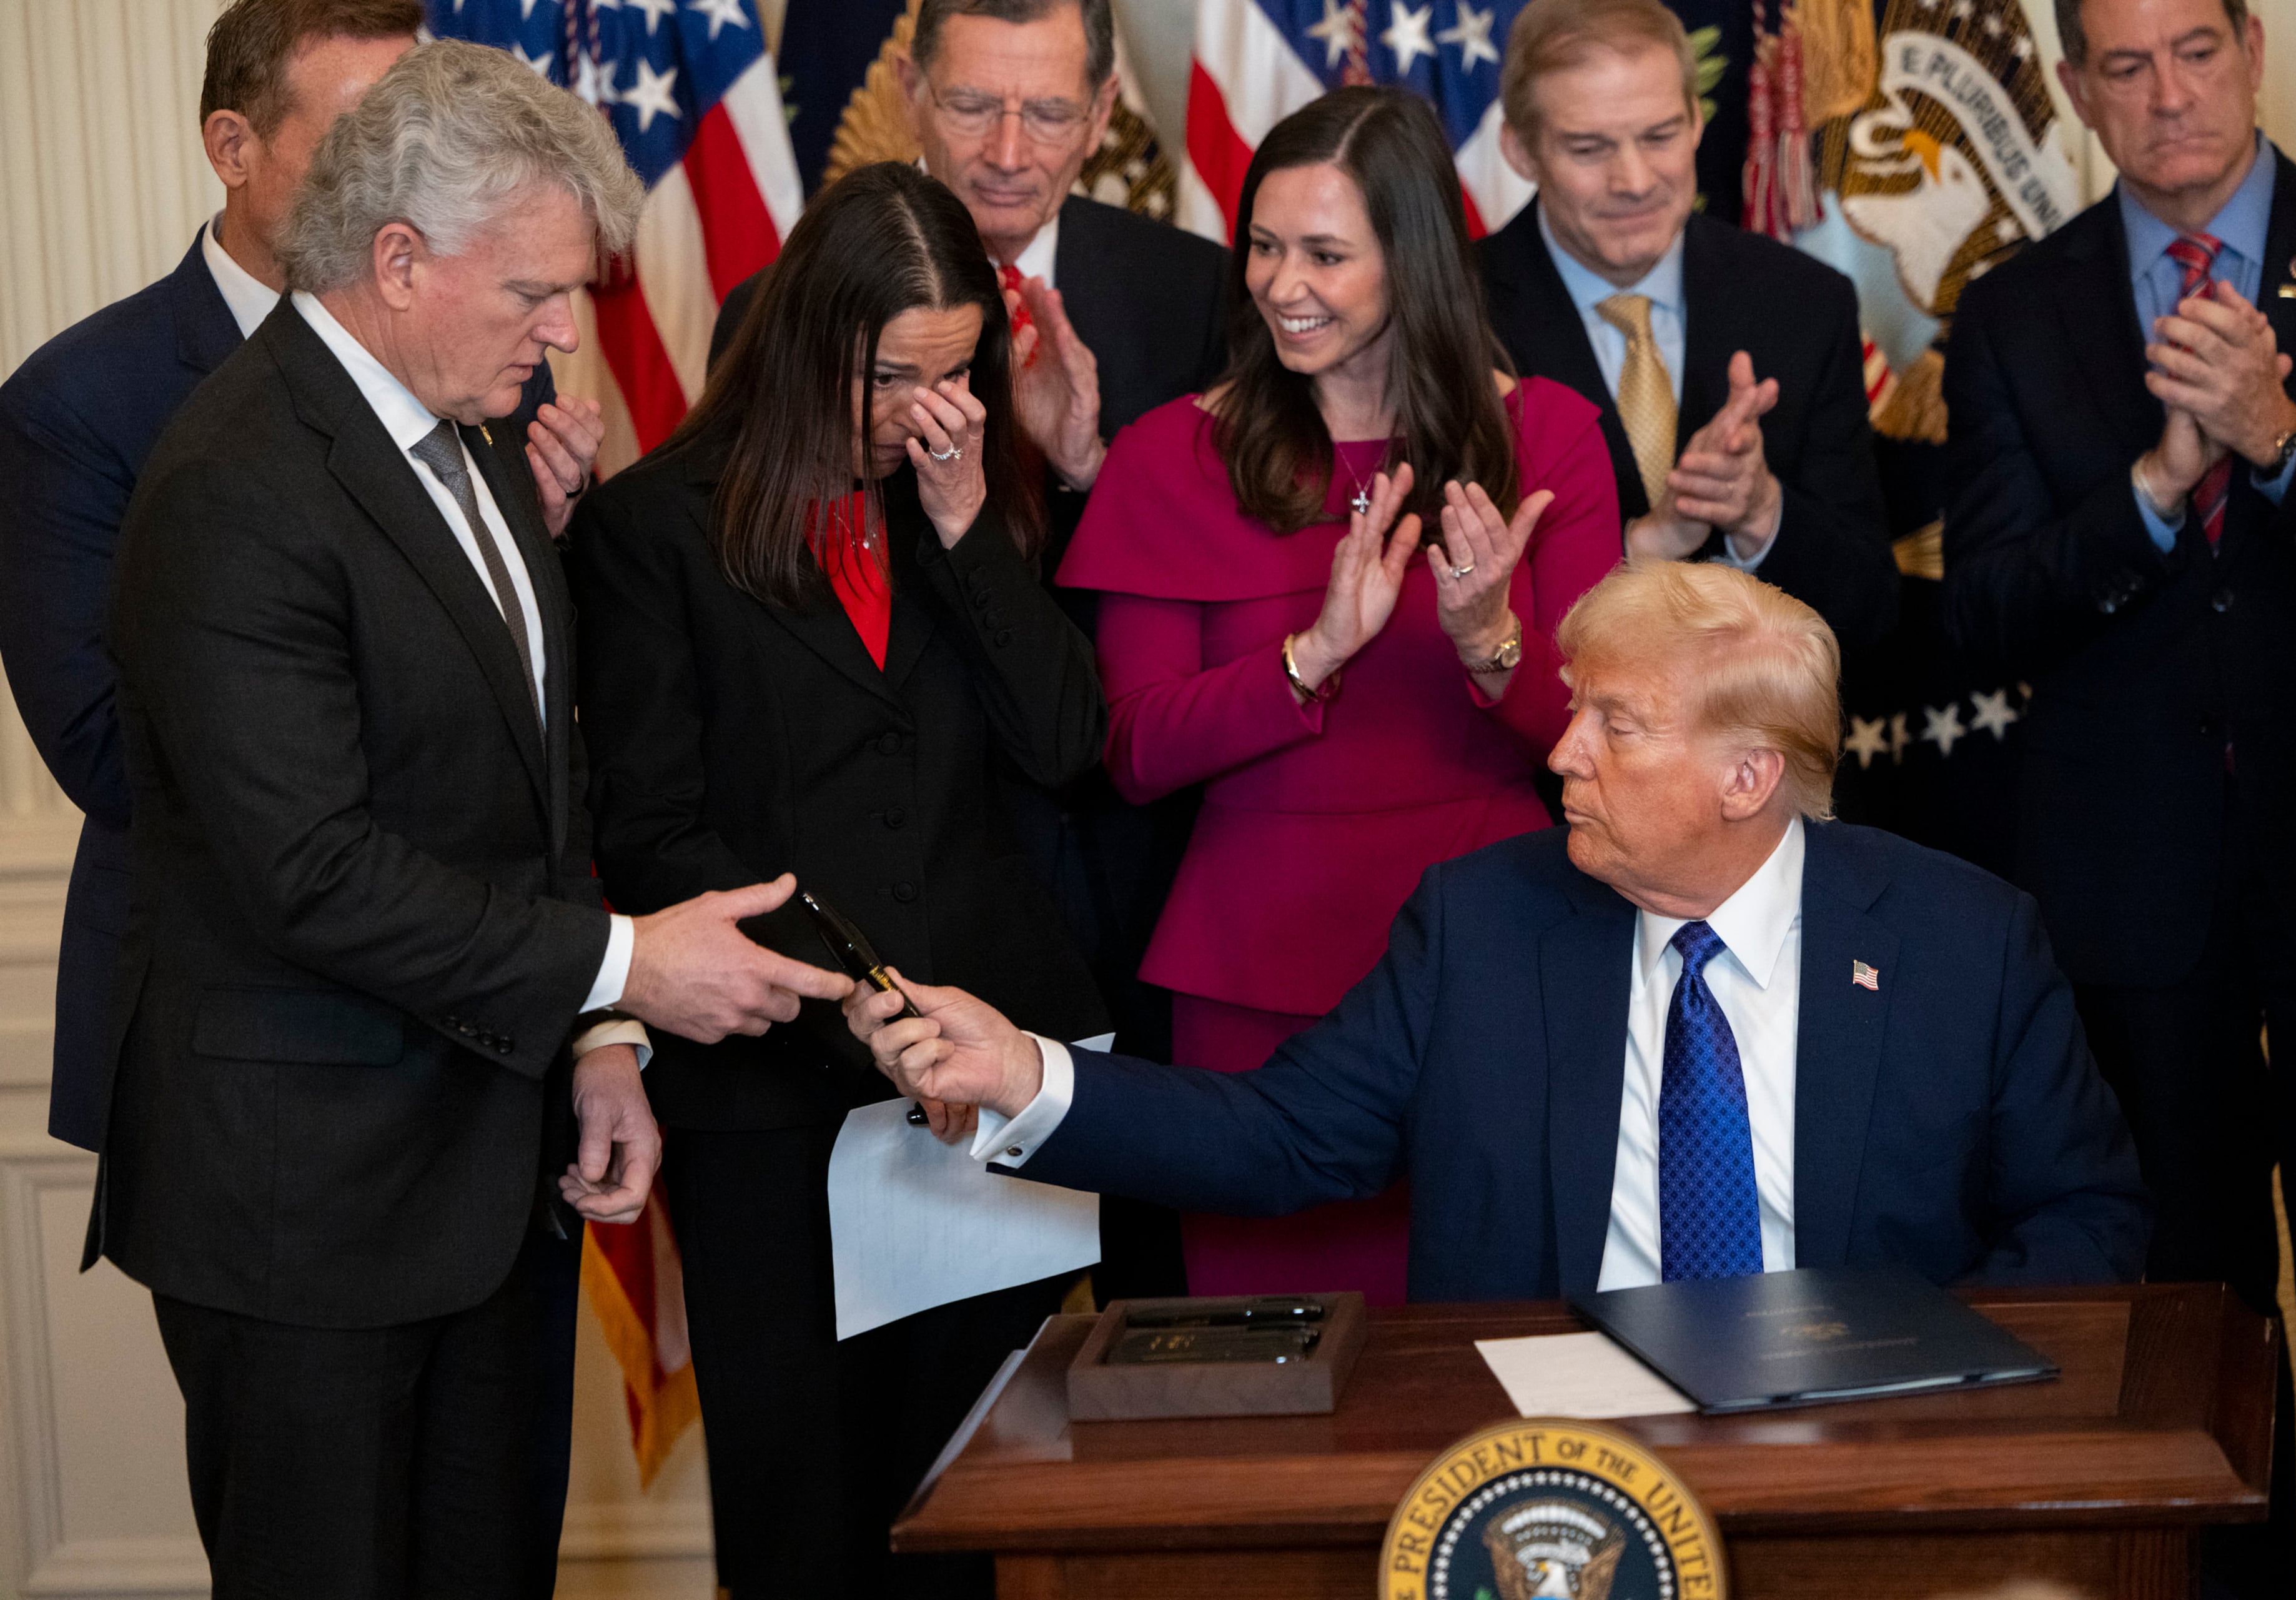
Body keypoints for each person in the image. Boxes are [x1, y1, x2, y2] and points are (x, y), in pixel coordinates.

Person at [93, 43, 844, 1596]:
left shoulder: (483, 444)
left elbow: (539, 787)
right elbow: (311, 869)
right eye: (537, 294)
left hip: (492, 1179)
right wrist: (628, 967)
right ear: (397, 260)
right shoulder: (234, 479)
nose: (568, 333)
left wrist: (597, 1042)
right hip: (305, 1213)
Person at [847, 561, 2150, 1301]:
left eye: (1617, 725)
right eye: (1576, 710)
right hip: (1541, 1460)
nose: (1565, 751)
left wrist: (1937, 1373)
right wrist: (1029, 1071)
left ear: (1748, 776)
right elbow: (1284, 1134)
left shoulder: (1962, 941)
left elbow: (2086, 1212)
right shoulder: (1480, 919)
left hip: (1863, 1447)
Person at [568, 162, 1110, 1600]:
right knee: (808, 1509)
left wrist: (963, 520)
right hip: (779, 1101)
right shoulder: (654, 529)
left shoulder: (957, 492)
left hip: (988, 1083)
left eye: (954, 374)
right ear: (812, 341)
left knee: (992, 1504)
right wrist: (857, 1003)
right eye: (893, 378)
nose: (924, 409)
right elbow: (658, 828)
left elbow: (1064, 744)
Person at [1942, 1, 2296, 1591]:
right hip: (2133, 904)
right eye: (2122, 66)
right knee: (2183, 1321)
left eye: (2193, 51)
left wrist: (2275, 441)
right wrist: (2148, 490)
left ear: (2252, 49)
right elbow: (1984, 605)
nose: (2166, 95)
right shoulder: (2010, 312)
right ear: (2071, 88)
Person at [0, 0, 604, 1157]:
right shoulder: (77, 405)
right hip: (252, 1051)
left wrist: (535, 535)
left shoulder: (480, 357)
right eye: (367, 135)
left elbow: (508, 682)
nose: (402, 172)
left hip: (473, 1034)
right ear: (233, 147)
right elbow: (104, 746)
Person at [1052, 86, 1621, 1307]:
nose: (1279, 282)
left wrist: (1492, 646)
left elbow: (1602, 727)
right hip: (1257, 971)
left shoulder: (1552, 435)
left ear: (1412, 260)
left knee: (1507, 1329)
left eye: (1324, 253)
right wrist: (1307, 655)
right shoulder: (1170, 454)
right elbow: (1136, 747)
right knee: (1277, 1371)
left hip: (1505, 947)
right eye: (1264, 245)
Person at [712, 0, 1228, 1073]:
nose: (1005, 152)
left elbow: (1212, 593)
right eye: (971, 105)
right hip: (891, 896)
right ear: (908, 90)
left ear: (1101, 115)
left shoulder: (1196, 295)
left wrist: (1087, 470)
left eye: (1045, 112)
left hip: (1124, 869)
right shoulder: (776, 310)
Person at [1480, 0, 1899, 652]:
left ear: (1699, 121)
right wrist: (1638, 546)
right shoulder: (1451, 316)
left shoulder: (1804, 303)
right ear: (1520, 149)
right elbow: (1438, 625)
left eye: (1660, 136)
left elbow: (1869, 610)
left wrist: (1761, 512)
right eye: (1589, 148)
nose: (1635, 180)